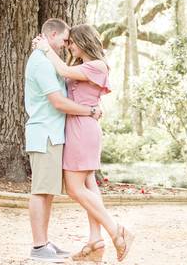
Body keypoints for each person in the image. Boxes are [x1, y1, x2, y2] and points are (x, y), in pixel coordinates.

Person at [34, 23, 134, 262]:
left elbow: (64, 73)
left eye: (72, 42)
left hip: (83, 130)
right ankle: (95, 241)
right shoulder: (81, 66)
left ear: (84, 41)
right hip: (77, 127)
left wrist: (46, 48)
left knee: (75, 188)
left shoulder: (97, 66)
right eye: (67, 42)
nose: (69, 46)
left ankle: (116, 230)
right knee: (89, 184)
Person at [25, 18, 102, 263]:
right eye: (66, 39)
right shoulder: (41, 62)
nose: (68, 44)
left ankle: (44, 243)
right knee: (40, 191)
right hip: (45, 133)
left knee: (47, 191)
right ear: (53, 34)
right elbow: (58, 102)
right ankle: (38, 247)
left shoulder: (49, 60)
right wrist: (90, 111)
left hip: (53, 134)